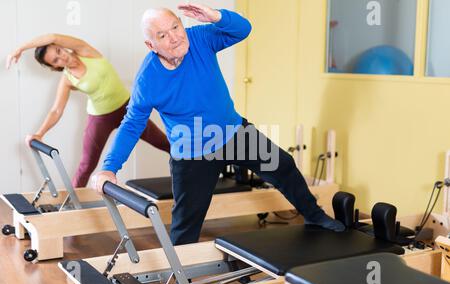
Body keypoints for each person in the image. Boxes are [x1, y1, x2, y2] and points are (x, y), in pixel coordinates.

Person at [93, 3, 345, 246]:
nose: (174, 38)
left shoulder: (200, 38)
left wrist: (216, 16)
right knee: (186, 223)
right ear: (151, 44)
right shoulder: (148, 80)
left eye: (175, 27)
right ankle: (181, 279)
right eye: (162, 34)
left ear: (182, 25)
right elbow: (132, 124)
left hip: (233, 133)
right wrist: (109, 167)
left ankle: (315, 215)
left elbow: (243, 29)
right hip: (192, 154)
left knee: (284, 166)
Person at [6, 34, 170, 187]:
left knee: (165, 143)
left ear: (61, 46)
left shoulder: (85, 51)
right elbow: (56, 110)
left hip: (128, 109)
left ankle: (193, 168)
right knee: (86, 165)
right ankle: (71, 206)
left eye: (58, 51)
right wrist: (39, 134)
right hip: (100, 118)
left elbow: (53, 36)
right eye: (56, 60)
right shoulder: (67, 79)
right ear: (54, 66)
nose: (61, 57)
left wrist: (20, 48)